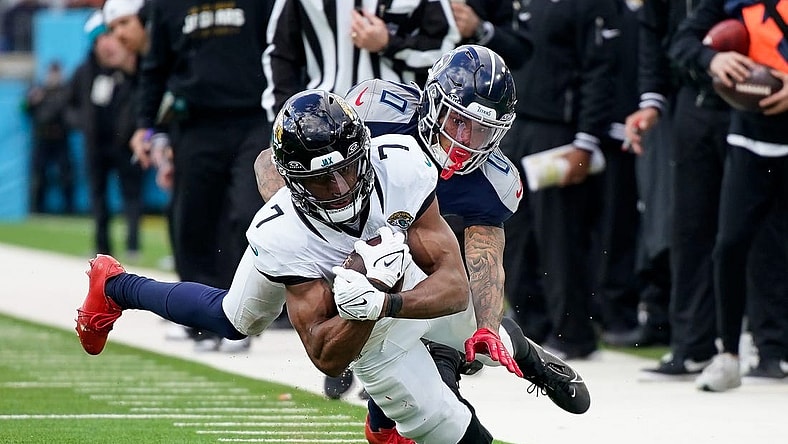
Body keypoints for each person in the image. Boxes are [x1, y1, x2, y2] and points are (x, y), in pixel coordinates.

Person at [75, 87, 590, 441]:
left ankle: (524, 357)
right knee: (236, 319)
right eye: (322, 180)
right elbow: (327, 356)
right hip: (306, 248)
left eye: (347, 171)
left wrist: (386, 300)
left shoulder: (402, 162)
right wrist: (348, 287)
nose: (340, 189)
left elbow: (461, 281)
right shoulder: (284, 228)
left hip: (384, 266)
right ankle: (116, 286)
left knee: (468, 322)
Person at [126, 0, 275, 351]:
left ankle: (241, 314)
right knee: (193, 223)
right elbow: (155, 66)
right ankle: (205, 320)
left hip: (252, 118)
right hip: (195, 122)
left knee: (248, 213)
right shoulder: (167, 5)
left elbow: (280, 49)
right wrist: (145, 124)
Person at [669, 0, 788, 391]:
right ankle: (730, 355)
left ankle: (775, 350)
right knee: (730, 245)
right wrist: (712, 58)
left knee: (777, 247)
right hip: (749, 137)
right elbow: (683, 41)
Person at [499, 0, 621, 359]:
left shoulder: (588, 6)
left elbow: (600, 71)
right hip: (515, 126)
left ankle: (573, 333)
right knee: (514, 234)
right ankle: (530, 326)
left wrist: (586, 140)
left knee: (559, 237)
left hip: (559, 132)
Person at [68, 10, 143, 259]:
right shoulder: (84, 72)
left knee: (131, 195)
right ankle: (102, 248)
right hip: (96, 145)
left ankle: (133, 246)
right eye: (103, 38)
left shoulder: (130, 68)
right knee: (98, 198)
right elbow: (68, 106)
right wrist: (83, 123)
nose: (108, 44)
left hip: (125, 144)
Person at [24, 60, 74, 214]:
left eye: (56, 73)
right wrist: (30, 101)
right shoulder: (38, 90)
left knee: (65, 174)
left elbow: (63, 112)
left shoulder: (65, 92)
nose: (54, 76)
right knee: (38, 175)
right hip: (42, 138)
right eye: (52, 73)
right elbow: (23, 108)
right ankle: (35, 208)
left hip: (60, 138)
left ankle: (69, 208)